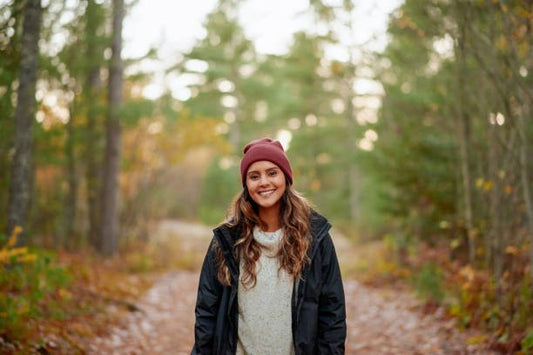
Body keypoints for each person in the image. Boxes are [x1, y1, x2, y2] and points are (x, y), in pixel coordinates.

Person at [192, 137, 346, 355]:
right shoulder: (227, 240)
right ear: (246, 184)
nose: (264, 182)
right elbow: (206, 311)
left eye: (272, 173)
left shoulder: (315, 237)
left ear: (286, 177)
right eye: (254, 176)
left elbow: (332, 312)